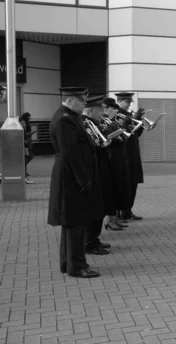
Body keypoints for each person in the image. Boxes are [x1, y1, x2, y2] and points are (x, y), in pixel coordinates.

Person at [48, 87, 104, 278]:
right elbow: (70, 154)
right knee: (76, 223)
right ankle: (78, 266)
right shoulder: (65, 120)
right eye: (81, 101)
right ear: (70, 101)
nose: (84, 104)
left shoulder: (69, 117)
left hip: (71, 177)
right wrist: (83, 180)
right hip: (72, 179)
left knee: (72, 223)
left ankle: (68, 263)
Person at [81, 95, 115, 255]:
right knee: (94, 208)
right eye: (100, 109)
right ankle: (89, 241)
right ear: (92, 109)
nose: (103, 112)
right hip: (95, 169)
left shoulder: (94, 122)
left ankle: (94, 238)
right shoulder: (85, 123)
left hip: (101, 167)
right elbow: (94, 145)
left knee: (100, 206)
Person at [102, 98, 131, 231]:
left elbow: (124, 137)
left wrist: (123, 127)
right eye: (112, 109)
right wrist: (110, 121)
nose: (114, 111)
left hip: (119, 158)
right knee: (112, 189)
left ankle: (114, 218)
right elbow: (104, 137)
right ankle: (109, 219)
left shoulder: (112, 121)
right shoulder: (102, 121)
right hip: (111, 158)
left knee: (118, 188)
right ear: (106, 109)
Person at [115, 92, 144, 221]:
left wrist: (140, 122)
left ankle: (128, 210)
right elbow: (120, 131)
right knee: (123, 183)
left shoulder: (130, 115)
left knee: (133, 182)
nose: (128, 105)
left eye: (129, 102)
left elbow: (136, 133)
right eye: (126, 102)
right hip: (124, 152)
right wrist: (131, 120)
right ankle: (118, 212)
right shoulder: (116, 115)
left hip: (133, 151)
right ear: (119, 101)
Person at [20, 112, 36, 183]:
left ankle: (25, 174)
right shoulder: (21, 129)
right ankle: (24, 175)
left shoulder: (25, 126)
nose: (24, 124)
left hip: (27, 144)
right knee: (27, 158)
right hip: (25, 145)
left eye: (24, 123)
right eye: (23, 123)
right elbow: (24, 136)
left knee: (28, 158)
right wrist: (32, 132)